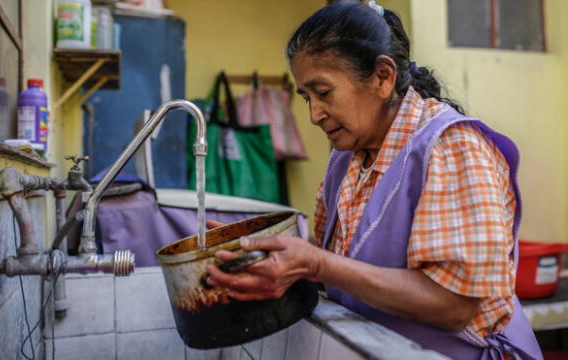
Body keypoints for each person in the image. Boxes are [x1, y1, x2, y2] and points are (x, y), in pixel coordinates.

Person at [206, 1, 541, 358]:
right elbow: (338, 267)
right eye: (306, 98)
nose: (315, 115)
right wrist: (273, 259)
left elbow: (455, 306)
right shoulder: (346, 159)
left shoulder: (451, 148)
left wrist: (315, 263)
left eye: (324, 93)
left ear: (383, 77)